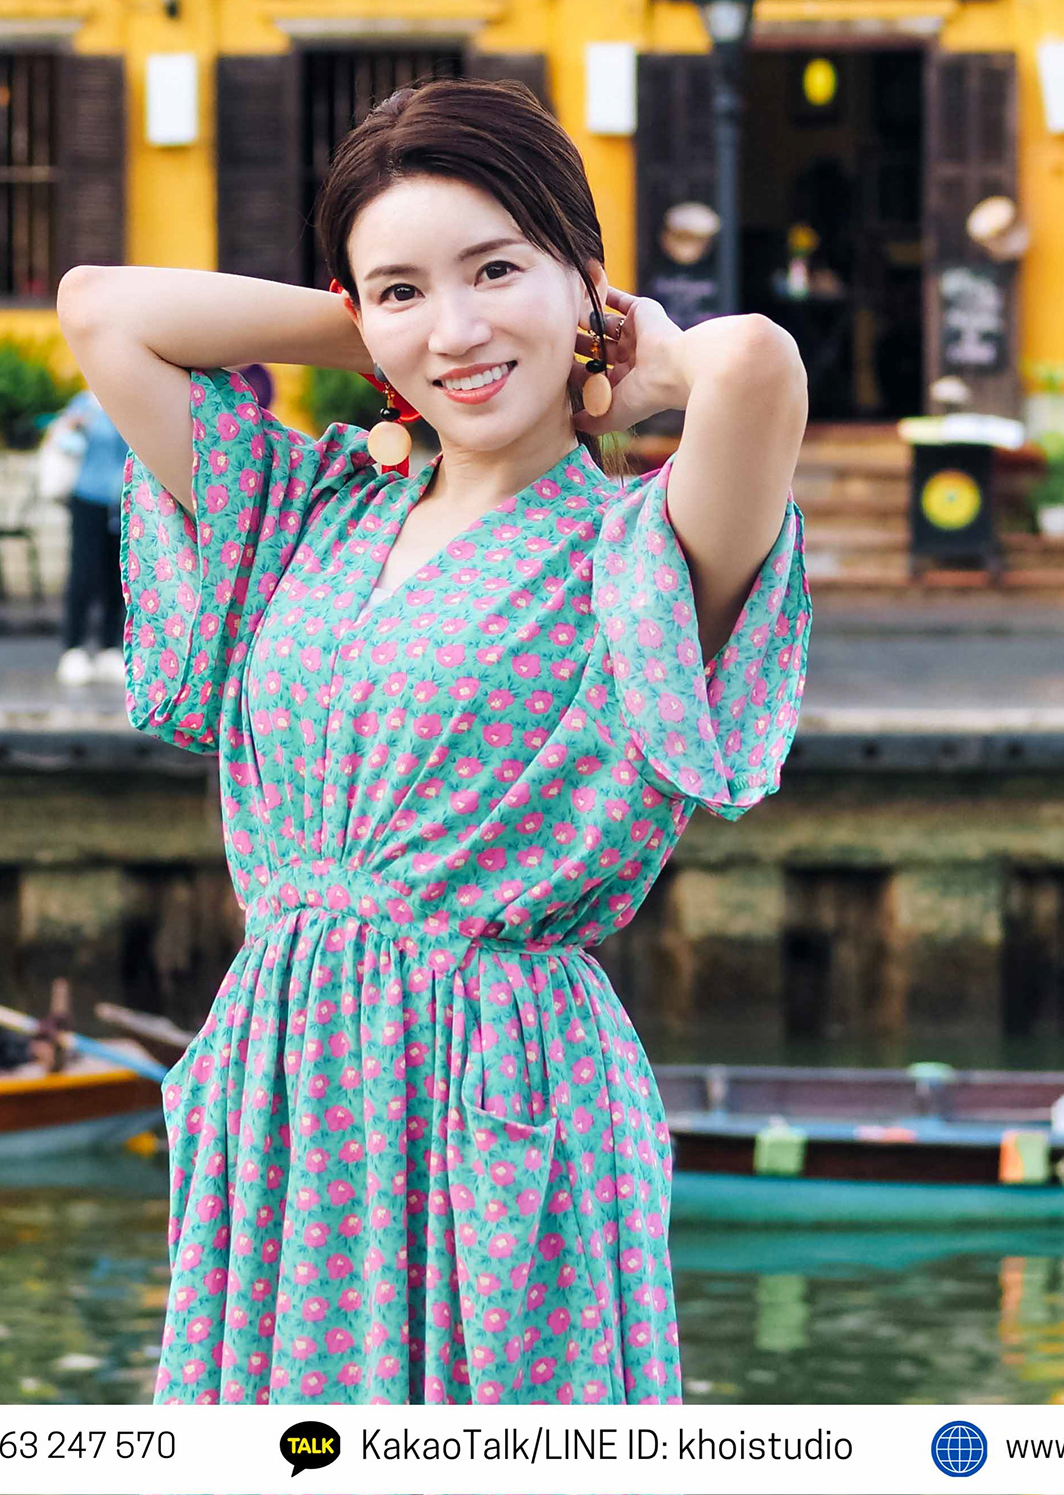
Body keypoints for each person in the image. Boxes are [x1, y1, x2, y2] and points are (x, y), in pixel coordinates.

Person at [58, 76, 809, 1405]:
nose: (457, 324)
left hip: (495, 1088)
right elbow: (102, 311)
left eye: (497, 269)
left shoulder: (641, 546)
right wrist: (390, 338)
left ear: (585, 280)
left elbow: (753, 366)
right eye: (402, 285)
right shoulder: (308, 507)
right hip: (286, 1083)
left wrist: (631, 356)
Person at [43, 390, 130, 688]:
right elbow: (64, 442)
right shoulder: (85, 405)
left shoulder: (132, 399)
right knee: (84, 572)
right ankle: (74, 646)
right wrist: (73, 426)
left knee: (118, 576)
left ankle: (110, 645)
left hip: (122, 501)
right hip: (88, 499)